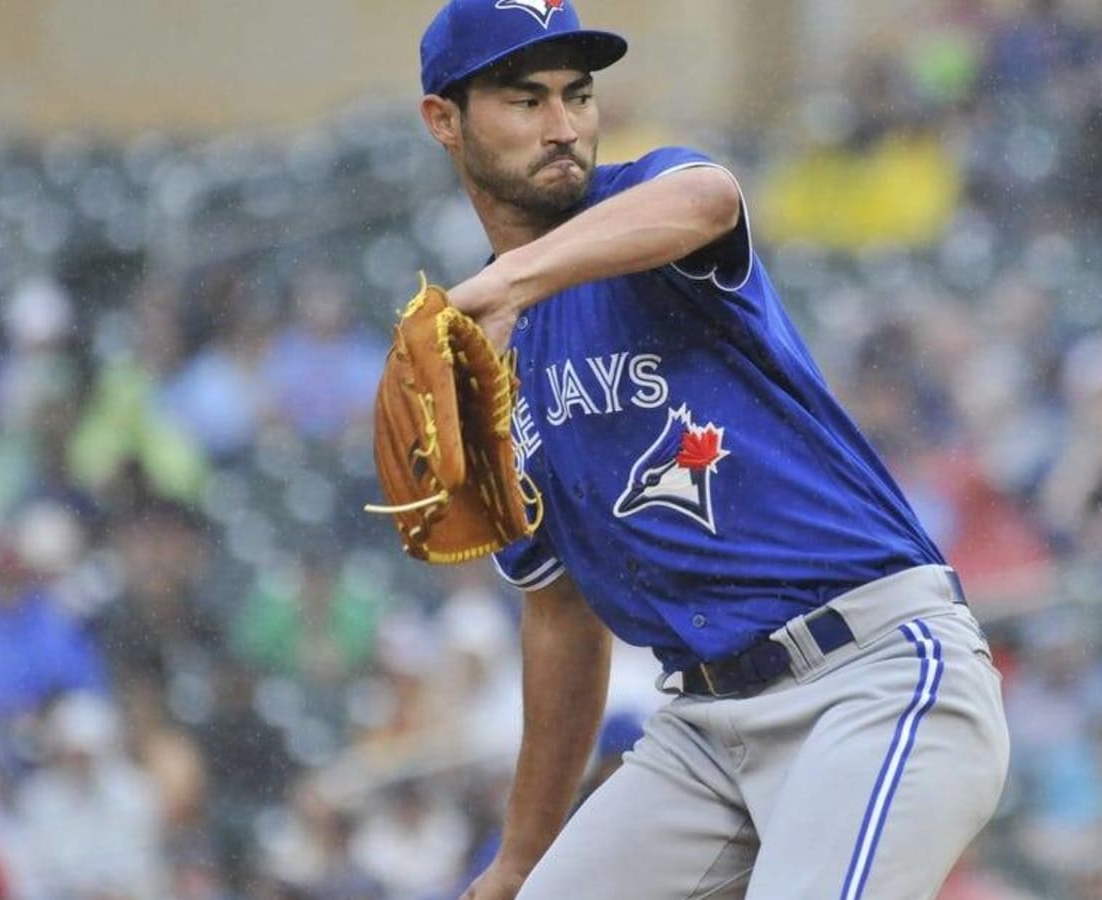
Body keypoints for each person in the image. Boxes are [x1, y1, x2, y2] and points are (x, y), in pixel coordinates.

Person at [413, 2, 1012, 898]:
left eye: (578, 94)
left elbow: (710, 197)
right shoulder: (486, 373)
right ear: (444, 120)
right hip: (703, 728)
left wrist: (506, 282)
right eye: (525, 100)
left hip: (873, 679)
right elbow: (561, 613)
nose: (564, 124)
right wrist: (522, 857)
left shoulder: (642, 208)